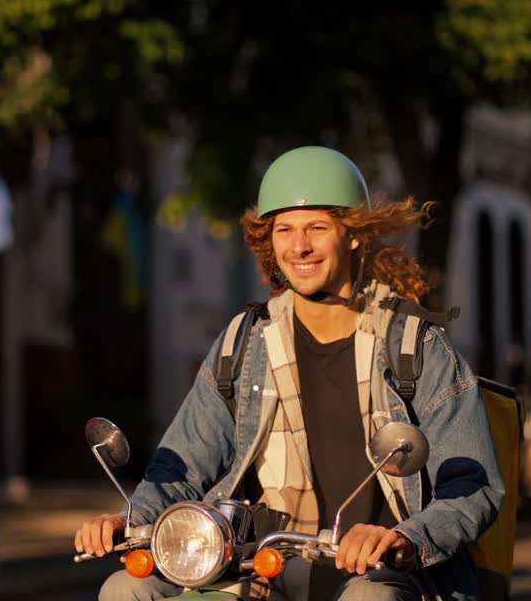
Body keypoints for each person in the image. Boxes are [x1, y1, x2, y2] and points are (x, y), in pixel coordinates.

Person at [77, 146, 505, 600]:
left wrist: (405, 537)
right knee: (126, 589)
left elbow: (472, 485)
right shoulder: (245, 343)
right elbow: (179, 468)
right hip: (260, 566)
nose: (299, 246)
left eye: (317, 228)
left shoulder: (414, 346)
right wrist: (130, 520)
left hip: (380, 572)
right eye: (284, 230)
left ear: (353, 234)